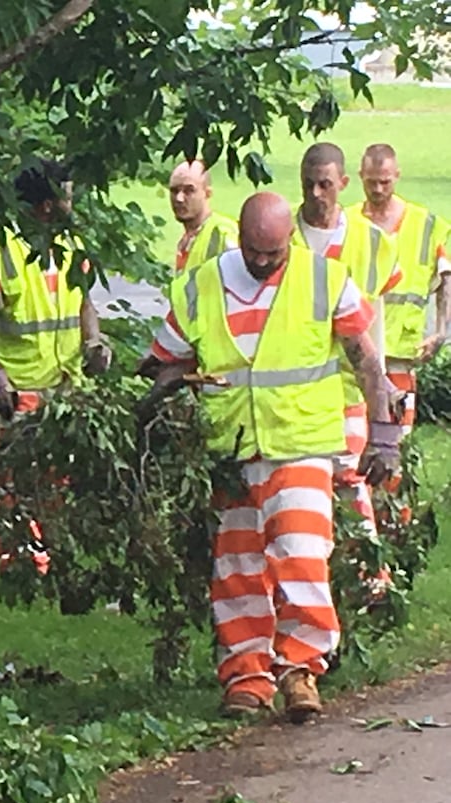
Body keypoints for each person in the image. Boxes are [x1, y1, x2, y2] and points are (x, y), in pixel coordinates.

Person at [145, 192, 395, 722]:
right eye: (254, 251)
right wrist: (159, 393)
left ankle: (300, 670)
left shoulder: (325, 279)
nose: (262, 262)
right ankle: (246, 677)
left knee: (302, 556)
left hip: (302, 444)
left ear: (289, 241)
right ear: (240, 236)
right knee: (237, 568)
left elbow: (367, 361)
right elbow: (164, 360)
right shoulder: (201, 284)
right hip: (230, 451)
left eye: (273, 253)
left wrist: (383, 436)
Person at [0, 158, 112, 575]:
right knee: (15, 489)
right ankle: (21, 572)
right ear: (45, 206)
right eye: (66, 195)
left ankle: (54, 566)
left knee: (60, 486)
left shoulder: (70, 245)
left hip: (65, 391)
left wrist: (94, 341)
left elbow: (84, 302)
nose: (71, 202)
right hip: (19, 392)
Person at [293, 142, 402, 536]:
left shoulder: (373, 242)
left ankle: (370, 580)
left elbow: (376, 321)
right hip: (296, 394)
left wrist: (382, 383)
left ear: (342, 183)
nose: (316, 195)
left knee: (351, 484)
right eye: (308, 185)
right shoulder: (282, 237)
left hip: (350, 390)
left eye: (325, 185)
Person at [350, 143, 451, 445]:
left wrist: (441, 332)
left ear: (397, 176)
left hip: (400, 355)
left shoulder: (427, 225)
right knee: (354, 440)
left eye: (385, 181)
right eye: (371, 182)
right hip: (353, 354)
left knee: (397, 441)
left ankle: (390, 493)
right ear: (360, 177)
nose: (378, 189)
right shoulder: (345, 222)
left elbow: (446, 280)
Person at [169, 159, 238, 274]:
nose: (179, 198)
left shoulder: (222, 232)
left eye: (189, 190)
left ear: (207, 193)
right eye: (174, 191)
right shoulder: (187, 240)